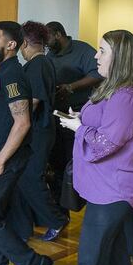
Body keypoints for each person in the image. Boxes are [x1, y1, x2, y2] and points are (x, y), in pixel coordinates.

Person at [58, 30, 133, 265]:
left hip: (112, 190)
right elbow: (107, 125)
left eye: (102, 51)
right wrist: (80, 118)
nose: (96, 56)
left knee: (90, 263)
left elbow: (105, 144)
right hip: (107, 187)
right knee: (116, 259)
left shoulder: (124, 96)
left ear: (119, 57)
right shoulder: (115, 89)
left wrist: (80, 128)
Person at [0, 21, 53, 265]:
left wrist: (0, 160)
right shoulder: (5, 71)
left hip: (5, 160)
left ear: (11, 45)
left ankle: (35, 264)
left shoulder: (12, 74)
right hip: (1, 158)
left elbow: (23, 122)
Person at [11, 21, 68, 242]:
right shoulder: (41, 63)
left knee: (31, 177)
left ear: (25, 42)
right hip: (37, 130)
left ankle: (57, 219)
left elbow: (33, 101)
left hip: (39, 131)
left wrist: (15, 123)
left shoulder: (38, 64)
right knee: (25, 177)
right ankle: (25, 224)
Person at [45, 21, 102, 206]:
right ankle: (60, 207)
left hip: (76, 115)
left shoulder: (82, 50)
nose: (46, 43)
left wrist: (71, 87)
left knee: (72, 162)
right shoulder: (50, 54)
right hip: (55, 115)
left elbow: (98, 74)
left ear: (58, 34)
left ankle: (76, 201)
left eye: (48, 38)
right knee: (56, 163)